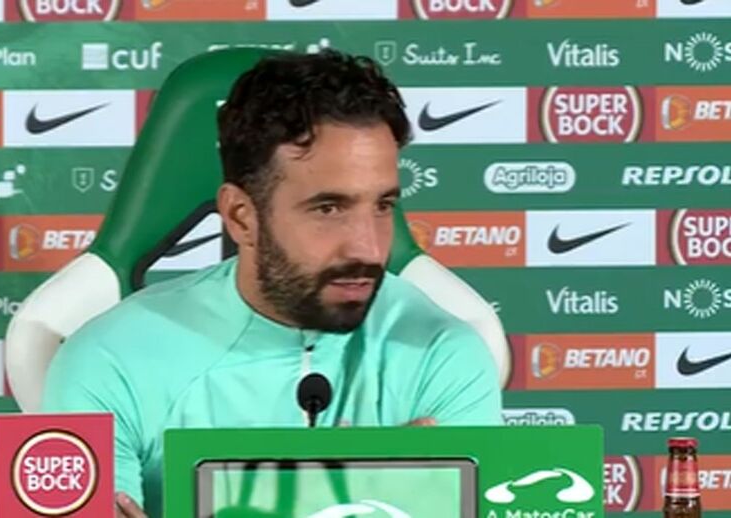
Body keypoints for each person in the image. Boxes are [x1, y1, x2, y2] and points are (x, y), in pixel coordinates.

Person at [41, 49, 503, 518]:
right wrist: (361, 498)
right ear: (241, 217)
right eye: (329, 209)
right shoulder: (110, 361)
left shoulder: (442, 355)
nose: (367, 248)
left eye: (383, 206)